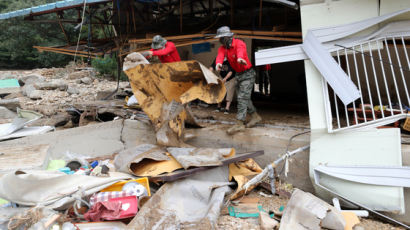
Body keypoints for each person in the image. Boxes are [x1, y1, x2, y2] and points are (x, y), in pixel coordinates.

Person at [214, 26, 262, 134]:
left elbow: (241, 51)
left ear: (226, 37)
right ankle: (255, 116)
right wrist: (218, 64)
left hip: (248, 74)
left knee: (242, 98)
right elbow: (220, 56)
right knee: (244, 98)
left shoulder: (239, 43)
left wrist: (240, 58)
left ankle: (240, 123)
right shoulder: (223, 48)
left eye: (220, 38)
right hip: (238, 74)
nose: (219, 40)